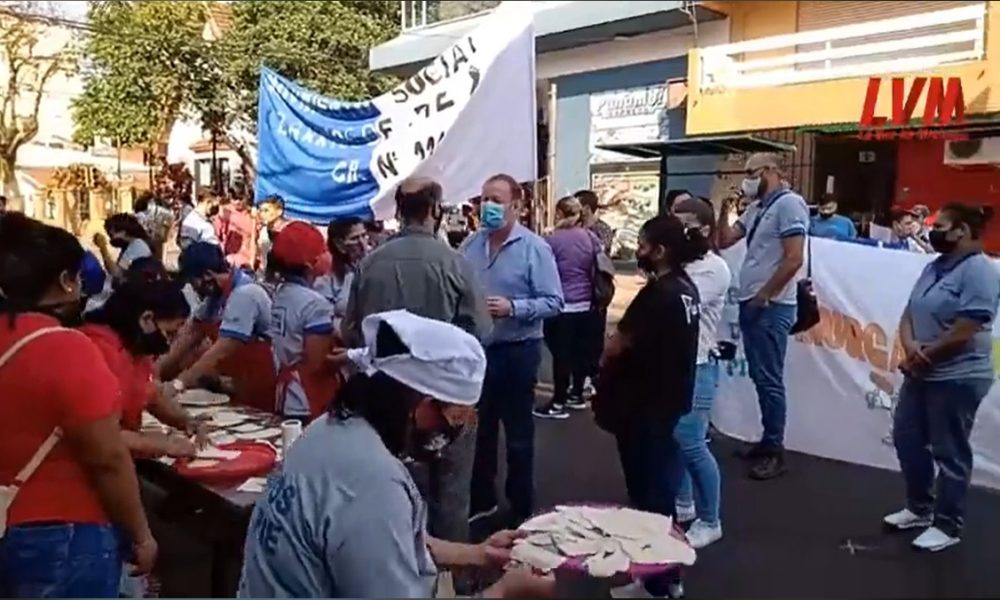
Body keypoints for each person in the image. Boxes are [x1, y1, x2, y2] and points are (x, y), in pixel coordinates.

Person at [239, 310, 554, 599]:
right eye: (456, 417)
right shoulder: (373, 482)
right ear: (421, 403)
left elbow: (394, 542)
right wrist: (504, 592)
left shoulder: (327, 429)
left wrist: (479, 554)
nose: (453, 433)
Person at [0, 213, 156, 597]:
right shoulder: (66, 347)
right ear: (66, 281)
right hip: (62, 533)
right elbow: (108, 457)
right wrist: (141, 535)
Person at [343, 177, 491, 557]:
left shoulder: (369, 264)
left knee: (395, 496)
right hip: (445, 402)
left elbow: (353, 331)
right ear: (435, 210)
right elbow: (481, 332)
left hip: (385, 405)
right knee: (452, 498)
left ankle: (402, 572)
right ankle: (452, 578)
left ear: (398, 210)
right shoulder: (455, 263)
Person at [593, 214, 702, 599]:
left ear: (660, 250)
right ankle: (662, 576)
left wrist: (608, 349)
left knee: (648, 499)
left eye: (643, 244)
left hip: (641, 406)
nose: (638, 251)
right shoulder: (687, 289)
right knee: (660, 493)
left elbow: (616, 345)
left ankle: (656, 581)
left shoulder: (658, 294)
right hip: (667, 402)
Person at [885, 203, 1000, 552]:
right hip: (922, 372)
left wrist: (925, 355)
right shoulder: (935, 267)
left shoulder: (980, 271)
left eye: (942, 226)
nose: (933, 232)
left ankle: (948, 524)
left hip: (958, 375)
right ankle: (920, 508)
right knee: (907, 438)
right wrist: (911, 350)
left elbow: (966, 328)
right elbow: (908, 312)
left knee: (950, 450)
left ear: (962, 231)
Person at [463, 173, 563, 525]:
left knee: (519, 434)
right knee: (479, 431)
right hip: (479, 352)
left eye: (496, 200)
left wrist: (514, 308)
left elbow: (554, 301)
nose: (488, 206)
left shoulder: (534, 248)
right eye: (484, 199)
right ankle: (482, 500)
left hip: (519, 351)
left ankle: (521, 507)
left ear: (517, 206)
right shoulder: (471, 246)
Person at [717, 153, 809, 480]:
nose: (747, 180)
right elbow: (725, 240)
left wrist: (765, 295)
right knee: (760, 375)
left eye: (751, 173)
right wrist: (725, 210)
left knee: (769, 378)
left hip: (771, 306)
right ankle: (767, 440)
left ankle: (775, 450)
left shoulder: (790, 205)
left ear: (770, 171)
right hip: (753, 303)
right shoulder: (758, 208)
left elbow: (793, 258)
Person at [81, 277, 203, 459]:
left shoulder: (136, 351)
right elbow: (102, 435)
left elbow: (151, 394)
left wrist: (185, 421)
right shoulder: (97, 352)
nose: (172, 341)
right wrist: (161, 444)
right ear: (147, 319)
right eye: (170, 333)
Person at [671, 198, 732, 549]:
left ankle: (711, 520)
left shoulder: (712, 269)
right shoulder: (680, 264)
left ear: (704, 229)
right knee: (674, 440)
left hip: (697, 367)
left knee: (692, 444)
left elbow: (677, 304)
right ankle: (683, 504)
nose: (678, 230)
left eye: (686, 224)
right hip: (673, 366)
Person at [156, 242, 276, 413]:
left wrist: (178, 384)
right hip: (237, 386)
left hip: (262, 388)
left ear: (207, 275)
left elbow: (222, 349)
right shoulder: (213, 300)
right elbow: (186, 338)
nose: (193, 288)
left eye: (192, 281)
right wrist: (154, 372)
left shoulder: (246, 294)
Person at [534, 196, 600, 419]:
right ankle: (577, 394)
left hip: (562, 305)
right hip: (587, 304)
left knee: (561, 355)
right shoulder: (590, 237)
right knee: (580, 352)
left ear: (560, 214)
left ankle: (558, 402)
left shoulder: (552, 240)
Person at [269, 222, 340, 421]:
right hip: (307, 399)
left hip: (286, 394)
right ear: (311, 263)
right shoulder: (315, 303)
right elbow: (317, 363)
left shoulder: (280, 293)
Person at [315, 217, 369, 332]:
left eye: (364, 236)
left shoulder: (377, 266)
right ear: (339, 244)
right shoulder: (326, 282)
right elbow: (325, 319)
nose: (362, 243)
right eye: (355, 238)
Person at [94, 213, 154, 283]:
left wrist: (103, 246)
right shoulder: (131, 245)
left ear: (123, 232)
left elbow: (116, 272)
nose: (111, 239)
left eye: (111, 235)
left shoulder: (137, 245)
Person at [215, 195, 257, 269]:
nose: (237, 202)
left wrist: (252, 262)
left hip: (246, 260)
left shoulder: (252, 215)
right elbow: (217, 237)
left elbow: (254, 240)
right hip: (227, 260)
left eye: (240, 198)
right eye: (234, 198)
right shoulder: (225, 212)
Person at [256, 194, 291, 274]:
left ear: (279, 211)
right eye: (261, 210)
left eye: (266, 210)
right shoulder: (263, 230)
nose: (262, 214)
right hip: (263, 274)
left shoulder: (287, 232)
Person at [133, 192, 173, 260]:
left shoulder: (139, 211)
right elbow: (170, 217)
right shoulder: (158, 210)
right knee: (157, 259)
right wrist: (165, 231)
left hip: (146, 240)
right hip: (155, 239)